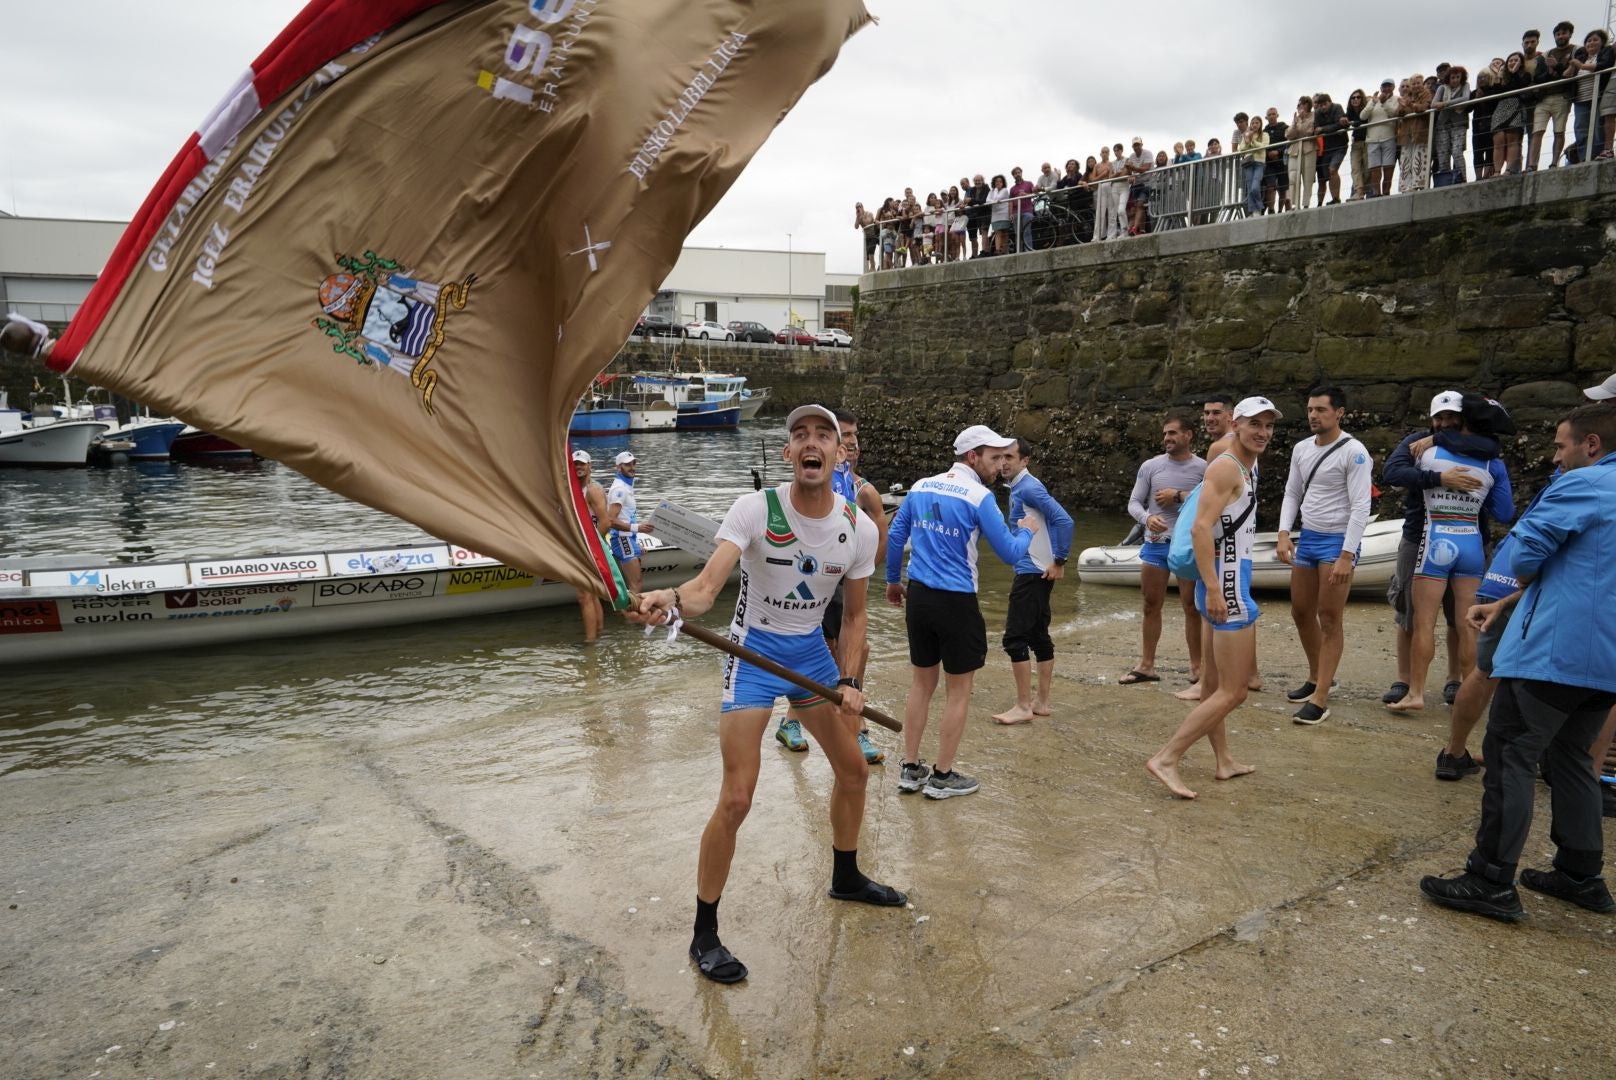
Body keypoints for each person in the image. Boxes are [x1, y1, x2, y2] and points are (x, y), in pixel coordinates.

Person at [629, 404, 900, 985]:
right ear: (787, 454)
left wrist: (850, 683)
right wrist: (670, 600)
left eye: (823, 435)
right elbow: (705, 589)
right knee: (737, 798)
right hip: (751, 656)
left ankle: (846, 878)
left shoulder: (860, 527)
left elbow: (854, 620)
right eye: (799, 434)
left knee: (854, 771)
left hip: (809, 657)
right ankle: (705, 933)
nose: (811, 442)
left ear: (838, 453)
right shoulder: (755, 510)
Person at [1420, 402, 1616, 922]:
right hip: (1607, 661)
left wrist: (1510, 590)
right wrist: (1507, 603)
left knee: (1509, 753)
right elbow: (1588, 572)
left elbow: (1526, 554)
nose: (1556, 456)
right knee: (1572, 759)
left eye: (1560, 445)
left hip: (1556, 653)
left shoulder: (1582, 485)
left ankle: (1490, 878)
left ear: (1590, 445)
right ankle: (1581, 875)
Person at [885, 425, 1039, 799]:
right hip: (956, 601)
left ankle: (909, 768)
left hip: (919, 596)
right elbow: (1008, 553)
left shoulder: (920, 486)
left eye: (1004, 457)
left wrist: (892, 580)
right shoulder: (979, 496)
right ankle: (942, 776)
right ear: (972, 457)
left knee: (921, 684)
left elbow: (894, 535)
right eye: (994, 457)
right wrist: (1028, 531)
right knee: (959, 690)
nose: (1000, 465)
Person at [1145, 396, 1278, 800]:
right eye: (1254, 423)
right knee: (1234, 691)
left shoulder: (1245, 466)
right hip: (1227, 584)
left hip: (1225, 580)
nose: (1262, 432)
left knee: (1213, 686)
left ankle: (1223, 761)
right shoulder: (1226, 467)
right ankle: (1167, 758)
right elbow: (1201, 529)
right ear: (1235, 425)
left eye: (1269, 425)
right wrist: (1217, 589)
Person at [1387, 397, 1515, 713]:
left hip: (1434, 543)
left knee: (1423, 623)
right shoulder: (1493, 463)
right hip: (1471, 543)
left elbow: (1393, 473)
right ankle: (1469, 695)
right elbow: (1505, 511)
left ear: (1462, 421)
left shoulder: (1426, 452)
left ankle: (1416, 693)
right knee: (1467, 624)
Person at [776, 408, 889, 764]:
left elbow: (881, 527)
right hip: (813, 579)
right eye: (846, 434)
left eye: (855, 435)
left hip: (845, 582)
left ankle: (856, 729)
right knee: (820, 651)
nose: (852, 440)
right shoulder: (813, 473)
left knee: (855, 651)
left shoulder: (862, 489)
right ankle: (793, 721)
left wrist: (871, 568)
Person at [1275, 387, 1373, 725]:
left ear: (1339, 412)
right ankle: (1318, 676)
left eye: (1320, 409)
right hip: (1310, 537)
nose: (1314, 415)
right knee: (1301, 611)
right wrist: (1284, 533)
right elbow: (1292, 492)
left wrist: (1347, 554)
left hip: (1337, 542)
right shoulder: (1302, 448)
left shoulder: (1355, 452)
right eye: (1310, 410)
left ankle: (1320, 699)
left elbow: (1362, 505)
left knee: (1329, 618)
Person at [991, 439, 1074, 725]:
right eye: (1000, 457)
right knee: (1038, 635)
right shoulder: (1020, 487)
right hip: (1034, 570)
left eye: (1010, 457)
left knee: (1014, 638)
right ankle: (1041, 703)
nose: (1003, 463)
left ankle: (1023, 706)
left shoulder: (1029, 488)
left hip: (1033, 571)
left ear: (1025, 460)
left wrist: (1059, 561)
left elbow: (1065, 520)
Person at [1123, 411, 1207, 687]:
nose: (1167, 438)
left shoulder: (1204, 469)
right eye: (1164, 434)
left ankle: (1197, 667)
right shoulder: (1151, 466)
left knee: (1192, 606)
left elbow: (1209, 505)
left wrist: (1178, 498)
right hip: (1156, 545)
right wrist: (1148, 518)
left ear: (1188, 435)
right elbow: (1134, 503)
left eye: (1172, 433)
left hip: (1187, 545)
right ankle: (1147, 665)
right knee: (1150, 605)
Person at [571, 449, 610, 644]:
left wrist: (593, 548)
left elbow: (605, 522)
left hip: (589, 549)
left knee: (583, 595)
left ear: (589, 466)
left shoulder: (592, 490)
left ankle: (589, 642)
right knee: (592, 594)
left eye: (582, 464)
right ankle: (599, 634)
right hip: (580, 547)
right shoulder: (571, 489)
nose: (578, 467)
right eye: (575, 464)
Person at [1528, 22, 1576, 170]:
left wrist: (1557, 66)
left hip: (1562, 96)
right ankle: (1532, 165)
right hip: (1544, 98)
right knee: (1537, 131)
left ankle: (1554, 162)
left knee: (1559, 131)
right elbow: (1537, 78)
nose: (1561, 36)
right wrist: (1549, 72)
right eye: (1558, 34)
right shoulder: (1545, 54)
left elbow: (1571, 73)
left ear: (1569, 34)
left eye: (1564, 33)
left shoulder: (1576, 50)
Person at [606, 450, 654, 593]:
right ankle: (631, 615)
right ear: (618, 467)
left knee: (636, 583)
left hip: (627, 539)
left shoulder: (626, 486)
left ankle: (632, 613)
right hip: (621, 539)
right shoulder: (620, 489)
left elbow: (625, 517)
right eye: (627, 465)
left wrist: (634, 542)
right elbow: (610, 520)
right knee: (636, 584)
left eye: (633, 463)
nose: (632, 467)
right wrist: (637, 528)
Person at [1431, 67, 1471, 184]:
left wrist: (1445, 104)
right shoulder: (1442, 88)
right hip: (1442, 124)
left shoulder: (1465, 86)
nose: (1455, 80)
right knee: (1443, 154)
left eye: (1457, 77)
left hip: (1459, 123)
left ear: (1462, 77)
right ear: (1448, 78)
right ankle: (1446, 181)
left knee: (1457, 151)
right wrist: (1444, 104)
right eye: (1452, 77)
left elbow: (1465, 98)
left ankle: (1462, 178)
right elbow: (1433, 104)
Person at [1362, 79, 1400, 196]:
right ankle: (1376, 193)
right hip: (1372, 139)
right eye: (1384, 86)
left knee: (1388, 167)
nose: (1386, 88)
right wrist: (1373, 103)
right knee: (1375, 168)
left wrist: (1384, 103)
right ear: (1380, 88)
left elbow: (1394, 114)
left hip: (1389, 137)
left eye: (1389, 86)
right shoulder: (1374, 101)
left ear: (1393, 87)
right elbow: (1363, 116)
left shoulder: (1397, 99)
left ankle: (1386, 192)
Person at [1313, 92, 1349, 204]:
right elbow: (1316, 128)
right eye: (1320, 105)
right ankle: (1334, 198)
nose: (1323, 107)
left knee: (1333, 169)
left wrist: (1323, 129)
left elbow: (1340, 124)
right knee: (1327, 175)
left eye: (1325, 104)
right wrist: (1326, 128)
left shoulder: (1337, 107)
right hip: (1327, 148)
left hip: (1340, 145)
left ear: (1330, 102)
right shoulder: (1317, 113)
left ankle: (1336, 198)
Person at [1287, 97, 1315, 210]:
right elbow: (1289, 135)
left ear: (1308, 105)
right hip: (1294, 150)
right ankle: (1294, 203)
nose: (1300, 107)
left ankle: (1306, 203)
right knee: (1293, 177)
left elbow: (1309, 132)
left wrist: (1302, 122)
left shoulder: (1313, 116)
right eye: (1299, 105)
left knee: (1308, 177)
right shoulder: (1296, 119)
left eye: (1303, 104)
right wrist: (1295, 123)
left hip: (1309, 149)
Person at [1008, 166, 1037, 253]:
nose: (1017, 174)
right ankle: (1019, 252)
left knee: (1027, 231)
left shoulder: (1029, 183)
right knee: (1018, 233)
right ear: (1013, 176)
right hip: (1016, 213)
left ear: (1021, 173)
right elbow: (1010, 202)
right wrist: (1010, 214)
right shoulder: (1012, 189)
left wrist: (1025, 194)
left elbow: (1035, 194)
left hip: (1027, 211)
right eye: (1015, 173)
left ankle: (1028, 251)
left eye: (1018, 172)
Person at [986, 174, 1012, 255]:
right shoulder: (991, 191)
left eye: (1000, 181)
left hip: (1004, 214)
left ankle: (1005, 250)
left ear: (1003, 183)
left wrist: (995, 193)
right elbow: (987, 200)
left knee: (1005, 233)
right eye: (996, 181)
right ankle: (998, 250)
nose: (998, 183)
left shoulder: (1005, 190)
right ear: (994, 182)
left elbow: (997, 198)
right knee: (997, 232)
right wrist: (994, 199)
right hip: (995, 215)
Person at [855, 202, 877, 273]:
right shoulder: (859, 216)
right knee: (868, 254)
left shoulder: (868, 214)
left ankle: (873, 267)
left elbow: (868, 222)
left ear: (862, 206)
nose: (858, 208)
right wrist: (858, 217)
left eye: (859, 207)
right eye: (857, 207)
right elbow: (856, 227)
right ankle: (871, 268)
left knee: (871, 251)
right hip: (867, 237)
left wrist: (862, 216)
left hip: (874, 234)